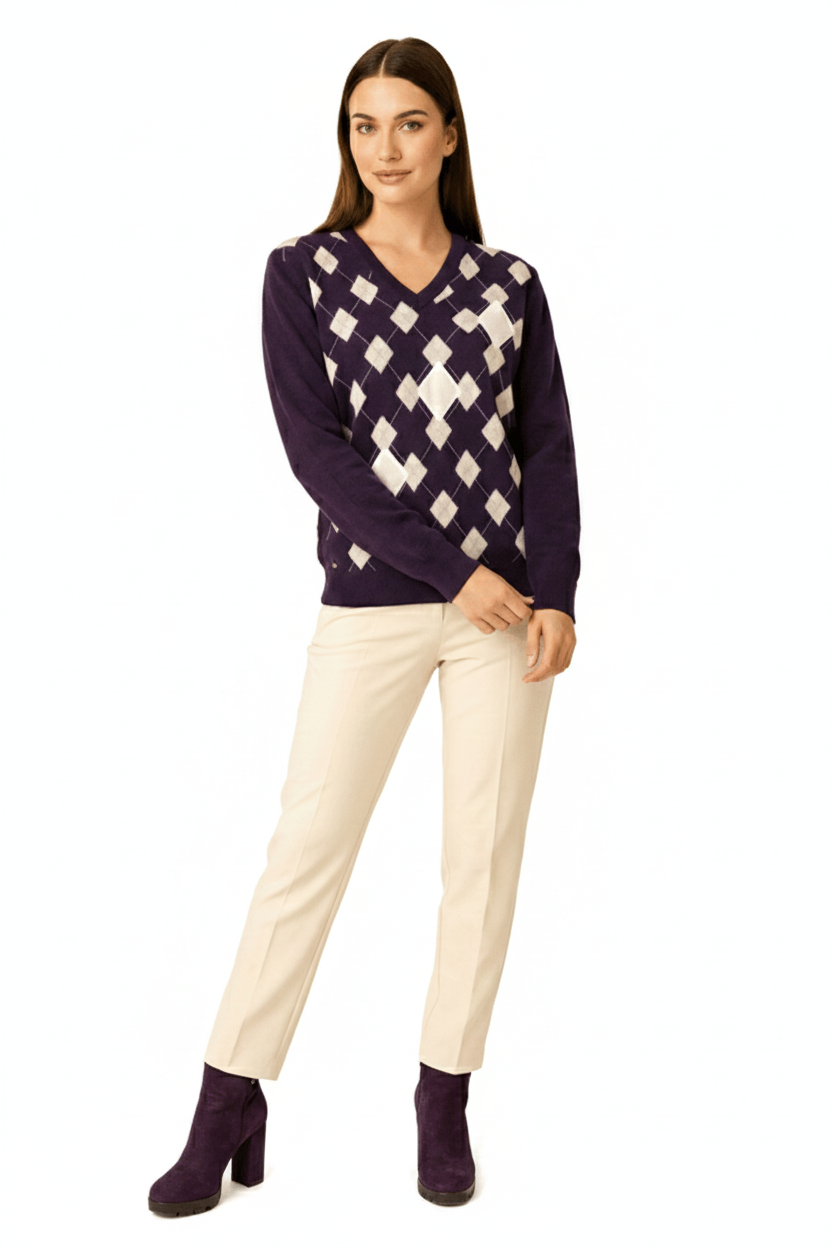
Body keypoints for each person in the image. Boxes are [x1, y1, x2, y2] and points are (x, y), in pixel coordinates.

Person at [148, 35, 581, 1217]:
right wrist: (459, 573)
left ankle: (443, 1099)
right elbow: (318, 456)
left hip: (506, 616)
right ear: (346, 140)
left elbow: (544, 445)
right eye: (363, 125)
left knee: (482, 859)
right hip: (378, 603)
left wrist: (554, 591)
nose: (384, 148)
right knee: (306, 853)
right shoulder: (304, 274)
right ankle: (226, 1099)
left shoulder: (509, 285)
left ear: (449, 135)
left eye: (408, 122)